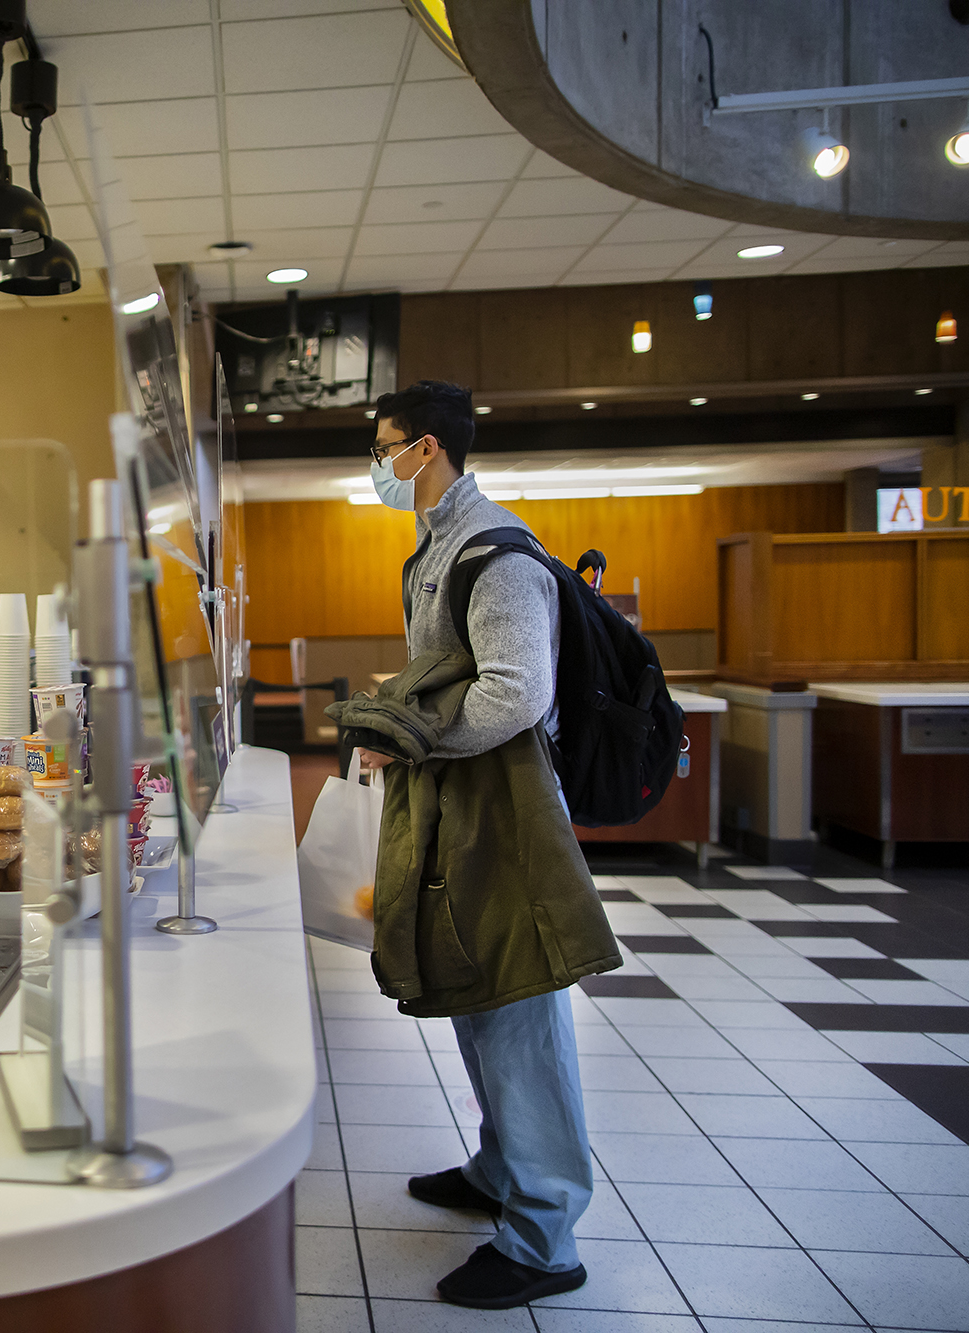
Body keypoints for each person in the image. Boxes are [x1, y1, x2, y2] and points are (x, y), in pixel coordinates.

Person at [351, 381, 611, 1310]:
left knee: (518, 1003)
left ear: (426, 449)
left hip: (506, 812)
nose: (375, 464)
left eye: (382, 447)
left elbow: (516, 692)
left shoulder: (495, 552)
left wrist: (409, 731)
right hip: (459, 806)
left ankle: (545, 1235)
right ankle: (500, 1169)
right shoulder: (437, 546)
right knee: (475, 983)